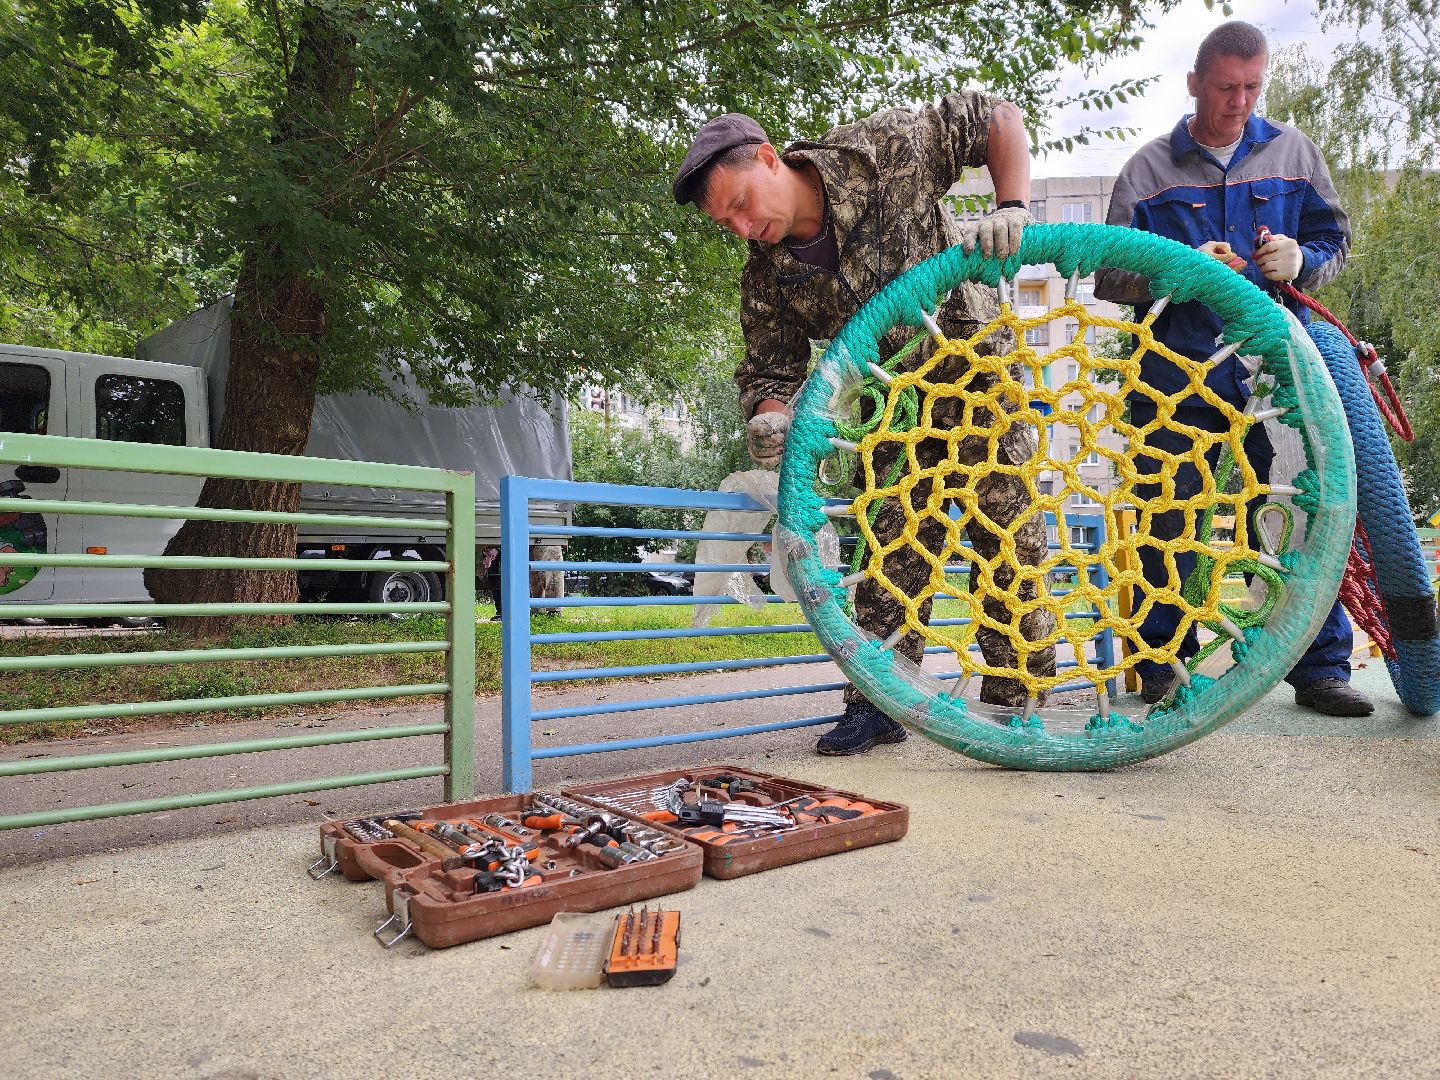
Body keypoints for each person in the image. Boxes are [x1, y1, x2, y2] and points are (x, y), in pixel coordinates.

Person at [673, 93, 1057, 755]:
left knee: (1012, 545)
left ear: (769, 159)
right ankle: (879, 705)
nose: (740, 228)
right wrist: (771, 420)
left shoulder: (882, 149)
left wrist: (1012, 206)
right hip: (891, 411)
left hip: (980, 380)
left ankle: (1017, 701)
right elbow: (769, 371)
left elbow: (998, 118)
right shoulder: (766, 279)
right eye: (724, 223)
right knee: (889, 560)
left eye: (739, 205)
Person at [1096, 20, 1372, 716]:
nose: (1240, 101)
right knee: (1170, 518)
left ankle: (1318, 668)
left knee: (1294, 516)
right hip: (1175, 379)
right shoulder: (1147, 171)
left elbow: (1335, 241)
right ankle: (1162, 665)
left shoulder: (1294, 152)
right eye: (1226, 87)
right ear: (1195, 84)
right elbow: (1108, 276)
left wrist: (1301, 261)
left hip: (1279, 378)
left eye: (1252, 86)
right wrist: (1177, 274)